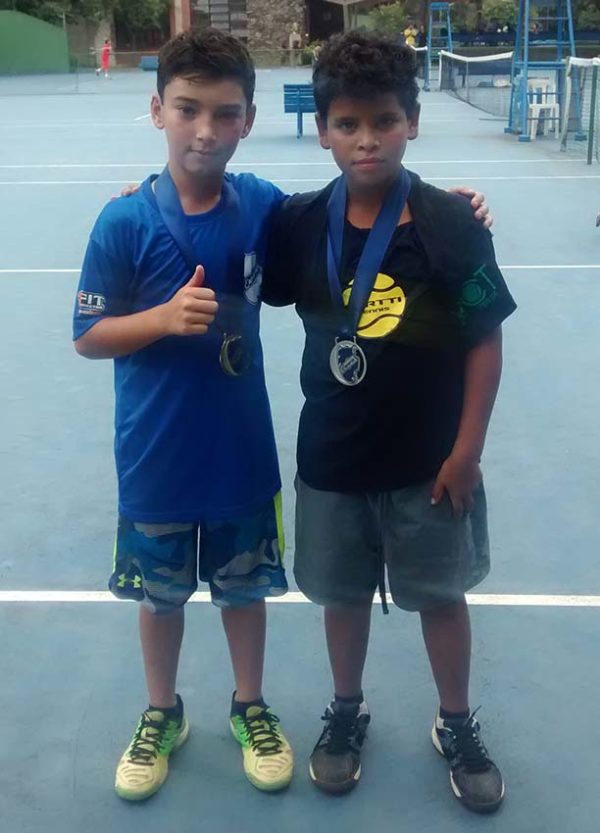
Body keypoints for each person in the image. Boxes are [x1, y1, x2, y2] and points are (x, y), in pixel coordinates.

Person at [261, 31, 516, 813]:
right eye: (347, 124)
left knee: (442, 597)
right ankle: (346, 709)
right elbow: (223, 221)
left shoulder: (450, 223)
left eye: (383, 121)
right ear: (323, 130)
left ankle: (456, 720)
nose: (366, 139)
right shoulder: (302, 223)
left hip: (430, 463)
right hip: (333, 461)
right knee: (341, 598)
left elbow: (484, 342)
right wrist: (145, 193)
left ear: (412, 122)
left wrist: (466, 452)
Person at [73, 29, 293, 802]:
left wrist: (443, 204)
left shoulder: (262, 204)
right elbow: (88, 335)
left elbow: (348, 215)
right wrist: (161, 319)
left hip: (240, 452)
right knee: (159, 597)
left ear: (248, 120)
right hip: (155, 454)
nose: (206, 129)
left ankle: (249, 704)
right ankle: (161, 709)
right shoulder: (123, 222)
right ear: (157, 109)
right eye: (188, 108)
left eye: (225, 113)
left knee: (244, 591)